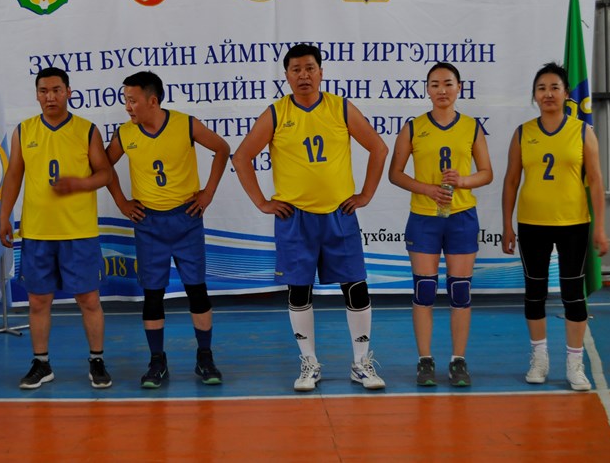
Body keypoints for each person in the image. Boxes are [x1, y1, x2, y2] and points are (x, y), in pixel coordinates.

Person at [232, 44, 389, 391]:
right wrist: (261, 202)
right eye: (296, 69)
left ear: (321, 72)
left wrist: (365, 194)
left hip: (338, 214)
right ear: (287, 75)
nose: (303, 75)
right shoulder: (276, 114)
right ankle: (309, 363)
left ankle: (361, 363)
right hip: (295, 218)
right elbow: (241, 157)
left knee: (356, 287)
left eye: (309, 68)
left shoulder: (340, 107)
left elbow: (378, 147)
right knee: (299, 289)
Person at [105, 71, 231, 388]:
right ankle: (157, 361)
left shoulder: (185, 125)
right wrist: (121, 201)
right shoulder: (125, 134)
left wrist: (208, 193)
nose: (127, 107)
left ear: (152, 100)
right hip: (149, 224)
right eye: (125, 100)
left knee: (196, 290)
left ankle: (205, 357)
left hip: (186, 219)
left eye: (132, 101)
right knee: (153, 294)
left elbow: (222, 148)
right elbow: (103, 166)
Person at [0, 67, 113, 390]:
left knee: (89, 299)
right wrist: (4, 216)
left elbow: (105, 173)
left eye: (56, 90)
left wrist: (80, 183)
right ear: (37, 95)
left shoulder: (87, 130)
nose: (50, 96)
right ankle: (41, 363)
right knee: (38, 301)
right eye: (44, 91)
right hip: (37, 232)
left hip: (79, 232)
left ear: (68, 92)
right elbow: (14, 175)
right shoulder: (23, 131)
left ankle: (96, 360)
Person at [502, 62, 608, 391]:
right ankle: (539, 359)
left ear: (566, 94)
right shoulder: (523, 133)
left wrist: (600, 228)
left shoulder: (582, 132)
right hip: (532, 224)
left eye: (554, 87)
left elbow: (596, 182)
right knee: (534, 293)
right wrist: (507, 225)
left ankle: (575, 364)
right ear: (534, 95)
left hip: (573, 224)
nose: (548, 94)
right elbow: (511, 181)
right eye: (541, 88)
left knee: (573, 295)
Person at [388, 62, 493, 387]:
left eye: (448, 83)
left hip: (461, 217)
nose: (442, 90)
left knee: (460, 290)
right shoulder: (413, 127)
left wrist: (462, 181)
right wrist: (427, 189)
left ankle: (458, 360)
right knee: (424, 290)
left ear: (459, 87)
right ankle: (425, 360)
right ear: (427, 89)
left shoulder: (471, 127)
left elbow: (486, 173)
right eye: (435, 84)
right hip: (424, 218)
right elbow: (395, 173)